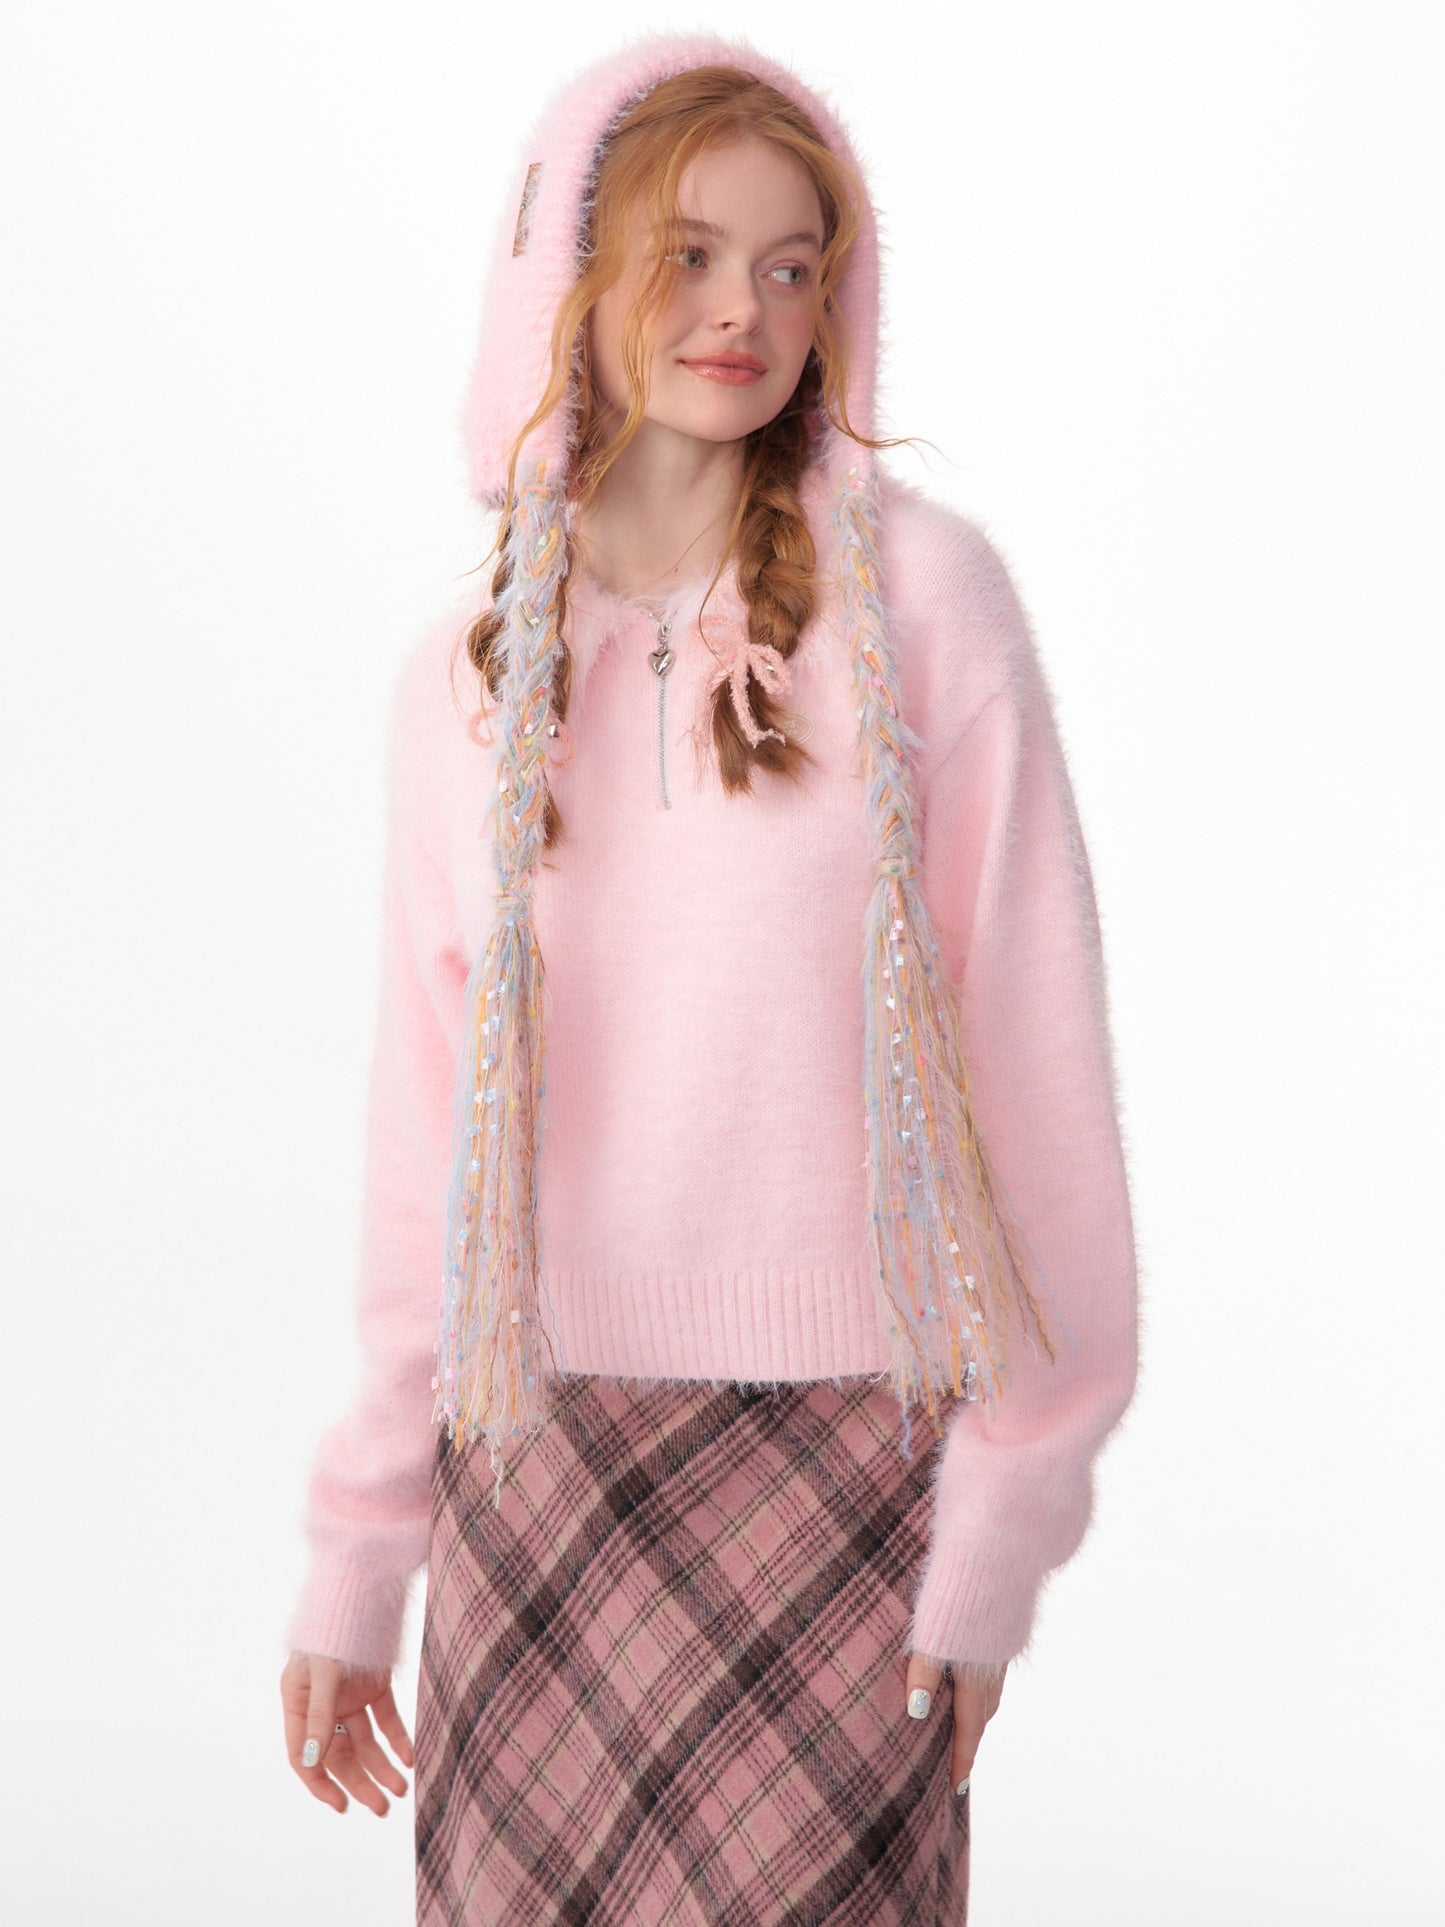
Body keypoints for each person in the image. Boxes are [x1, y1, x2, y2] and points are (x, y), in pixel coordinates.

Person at [279, 31, 1139, 1925]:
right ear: (563, 282)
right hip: (536, 1463)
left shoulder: (924, 609)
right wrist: (359, 1551)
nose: (743, 308)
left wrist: (1001, 1526)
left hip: (853, 1457)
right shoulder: (464, 679)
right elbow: (425, 1161)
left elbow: (1037, 1082)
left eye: (790, 262)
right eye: (686, 253)